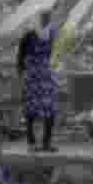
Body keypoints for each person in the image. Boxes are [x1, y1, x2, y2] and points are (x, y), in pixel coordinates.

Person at [17, 11, 60, 152]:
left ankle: (46, 142)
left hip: (47, 74)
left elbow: (57, 53)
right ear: (37, 17)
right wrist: (21, 73)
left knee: (51, 107)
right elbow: (20, 55)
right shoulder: (29, 34)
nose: (46, 18)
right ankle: (31, 143)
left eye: (48, 15)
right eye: (43, 16)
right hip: (33, 74)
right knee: (31, 109)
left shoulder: (53, 32)